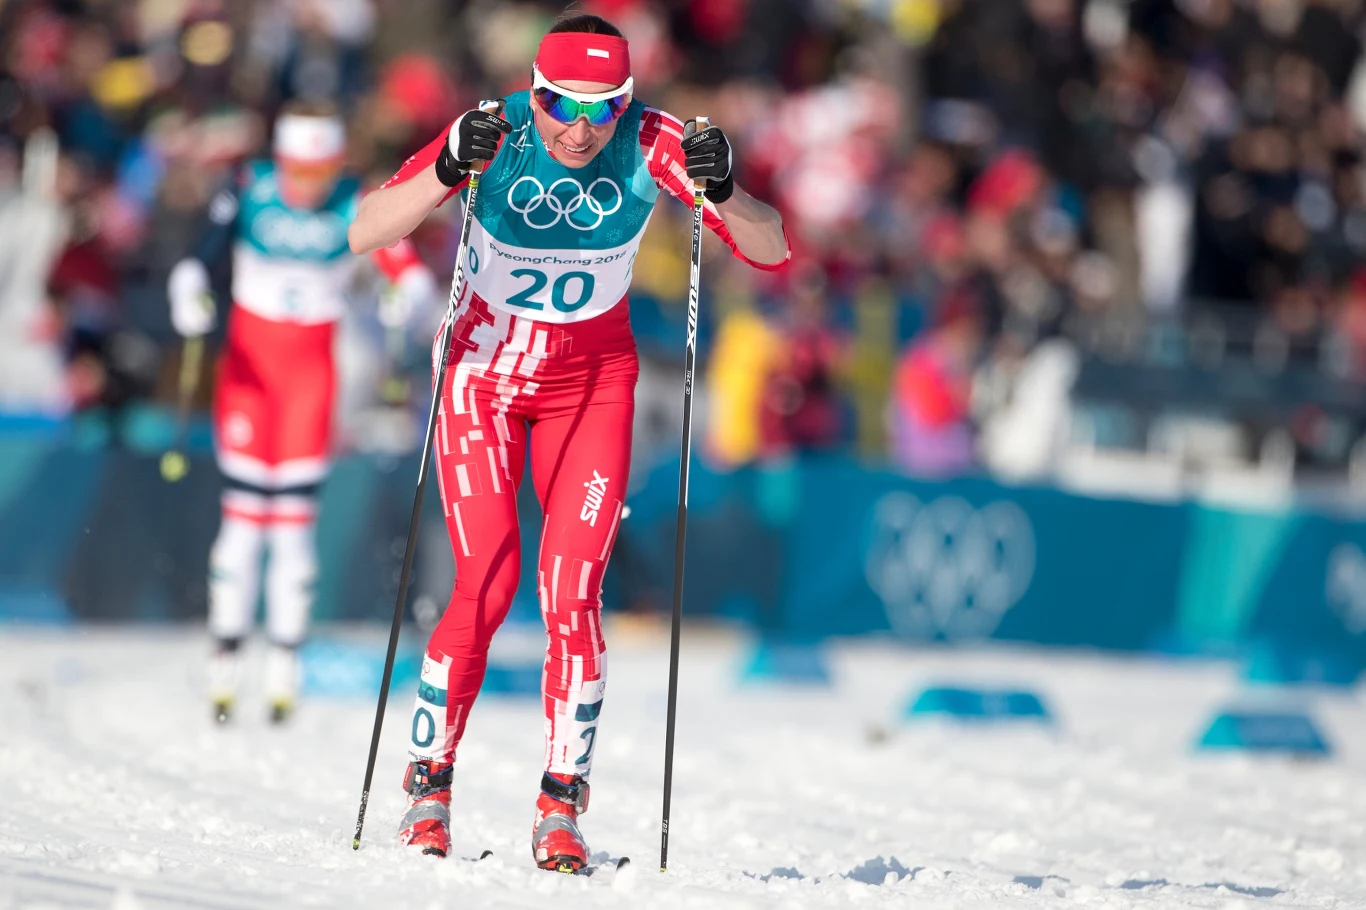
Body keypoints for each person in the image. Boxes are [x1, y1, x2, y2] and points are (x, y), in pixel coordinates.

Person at [347, 13, 789, 870]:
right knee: (485, 576)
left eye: (603, 108)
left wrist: (727, 187)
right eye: (561, 106)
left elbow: (771, 250)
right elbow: (366, 230)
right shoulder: (495, 130)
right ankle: (427, 788)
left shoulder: (656, 140)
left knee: (572, 589)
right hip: (481, 374)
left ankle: (561, 805)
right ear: (536, 92)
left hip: (591, 384)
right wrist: (445, 168)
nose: (581, 129)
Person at [167, 100, 434, 725]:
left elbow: (402, 261)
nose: (305, 186)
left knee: (290, 524)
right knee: (242, 521)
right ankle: (226, 653)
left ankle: (285, 659)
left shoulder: (353, 199)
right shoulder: (249, 188)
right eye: (297, 171)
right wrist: (188, 285)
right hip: (249, 377)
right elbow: (204, 252)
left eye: (318, 172)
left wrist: (411, 290)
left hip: (309, 382)